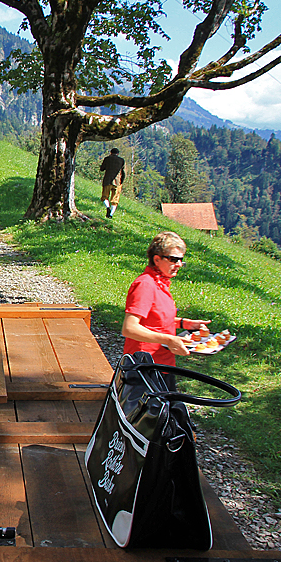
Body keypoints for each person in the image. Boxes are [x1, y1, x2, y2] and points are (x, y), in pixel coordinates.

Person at [121, 231, 211, 390]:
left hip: (163, 364)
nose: (179, 264)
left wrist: (185, 323)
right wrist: (169, 340)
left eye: (181, 260)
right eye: (173, 259)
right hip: (145, 368)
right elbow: (129, 328)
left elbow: (154, 319)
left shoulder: (161, 283)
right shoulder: (145, 285)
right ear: (156, 259)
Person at [100, 148, 126, 218]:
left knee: (105, 197)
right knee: (115, 200)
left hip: (107, 180)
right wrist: (121, 181)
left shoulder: (107, 159)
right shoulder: (121, 160)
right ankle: (111, 215)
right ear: (118, 153)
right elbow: (123, 173)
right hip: (117, 182)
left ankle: (107, 208)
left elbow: (102, 169)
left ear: (111, 152)